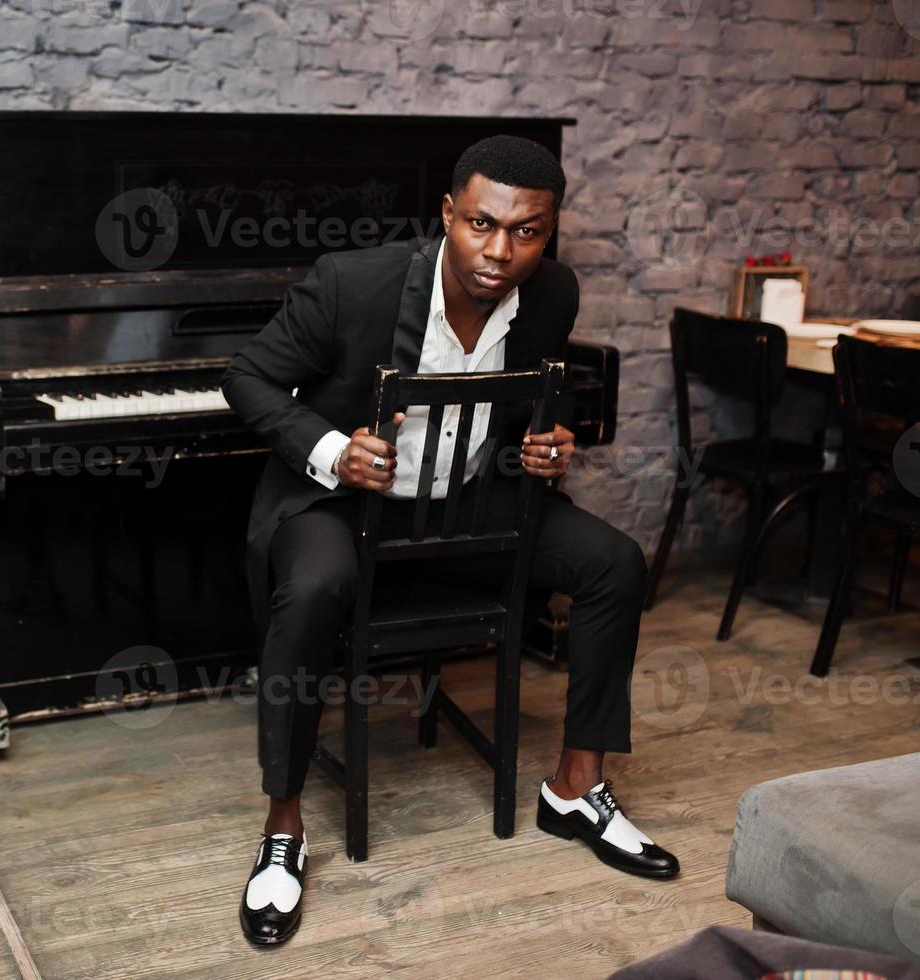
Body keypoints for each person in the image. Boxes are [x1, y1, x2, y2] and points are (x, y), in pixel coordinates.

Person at [221, 135, 679, 948]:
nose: (499, 251)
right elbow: (246, 377)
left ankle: (576, 786)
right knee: (317, 586)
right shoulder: (351, 285)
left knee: (613, 562)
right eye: (480, 223)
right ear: (447, 215)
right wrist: (332, 447)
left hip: (467, 507)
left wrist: (545, 444)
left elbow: (529, 407)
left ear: (549, 233)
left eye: (526, 232)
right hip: (338, 507)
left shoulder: (552, 297)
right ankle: (283, 826)